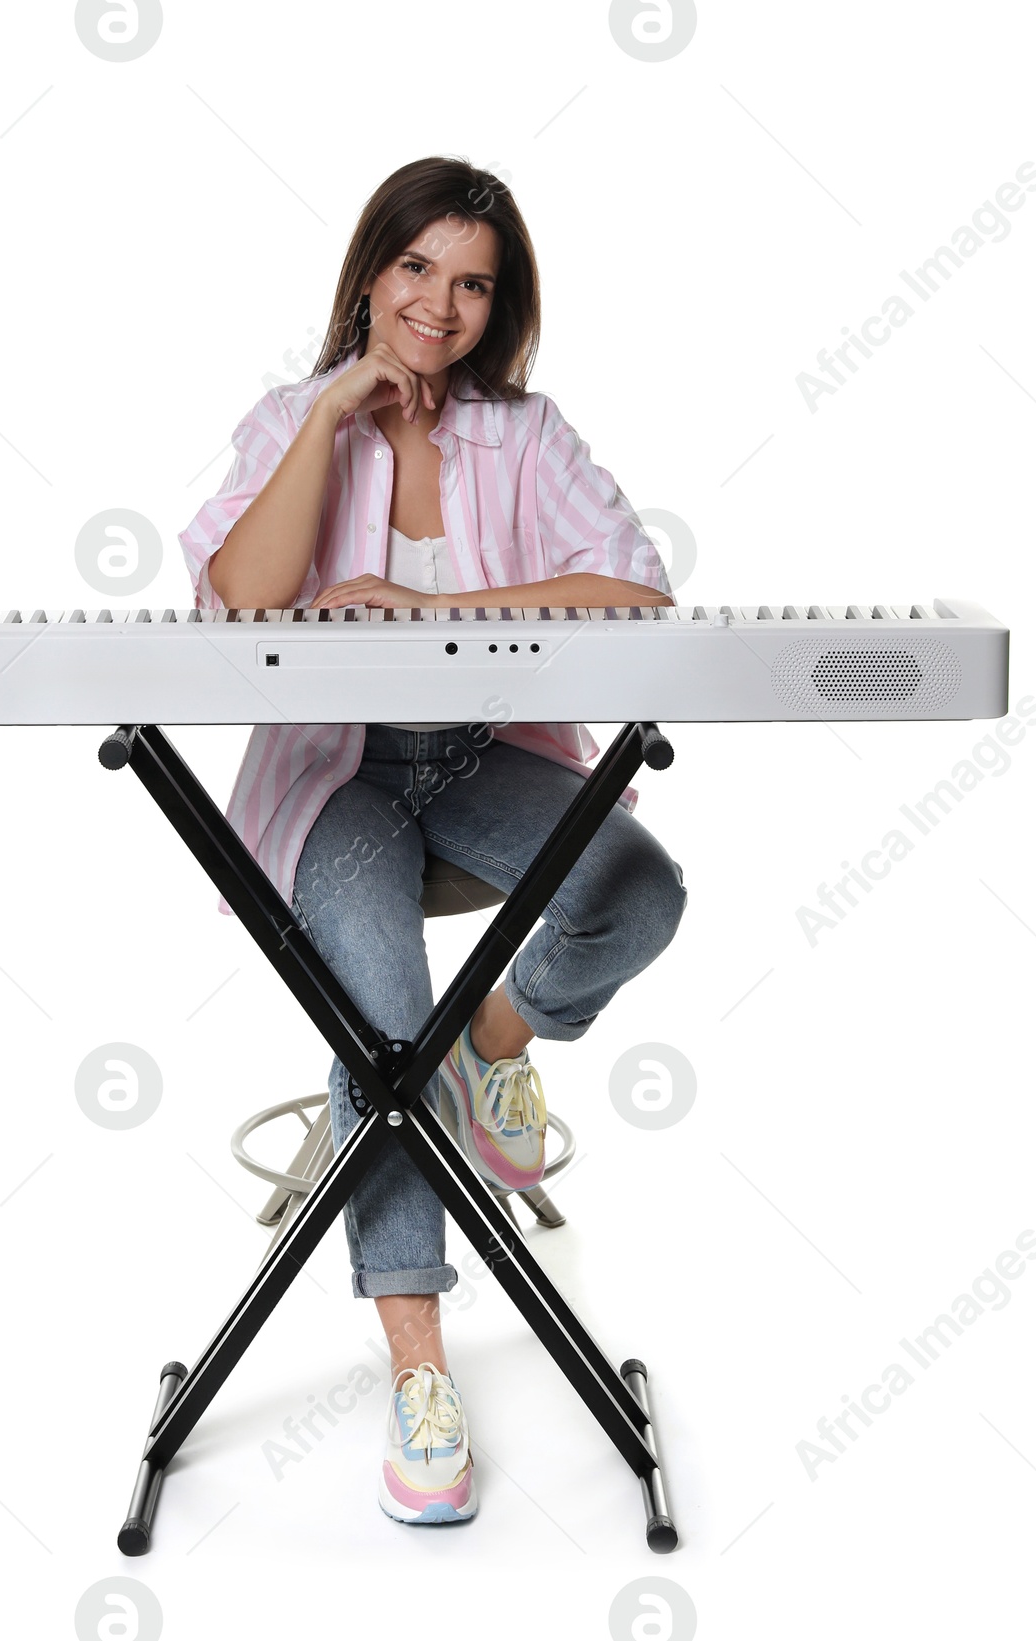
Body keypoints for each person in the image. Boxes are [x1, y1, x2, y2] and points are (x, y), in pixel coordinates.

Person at [179, 156, 688, 1527]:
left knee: (636, 888)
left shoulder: (525, 435)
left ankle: (497, 1049)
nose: (441, 305)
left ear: (497, 303)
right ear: (371, 273)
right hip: (338, 779)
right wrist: (336, 407)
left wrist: (420, 613)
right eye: (417, 270)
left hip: (482, 764)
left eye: (473, 283)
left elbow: (635, 586)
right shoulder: (299, 417)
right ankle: (420, 1373)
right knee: (377, 1032)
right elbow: (239, 596)